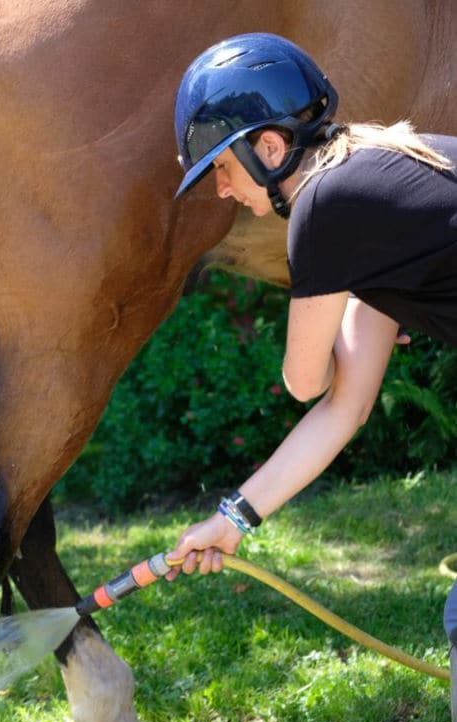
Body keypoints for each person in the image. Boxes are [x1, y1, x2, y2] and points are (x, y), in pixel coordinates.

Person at [166, 32, 457, 580]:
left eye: (223, 167)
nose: (222, 190)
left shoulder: (324, 207)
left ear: (271, 150)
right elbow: (346, 407)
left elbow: (308, 383)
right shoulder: (373, 178)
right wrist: (232, 520)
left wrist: (336, 315)